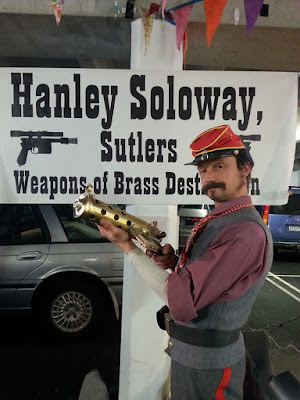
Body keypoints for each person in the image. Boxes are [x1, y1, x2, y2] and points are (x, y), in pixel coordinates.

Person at [97, 124, 273, 400]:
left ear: (244, 168)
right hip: (193, 355)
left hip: (209, 366)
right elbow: (216, 281)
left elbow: (180, 297)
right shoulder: (224, 220)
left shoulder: (244, 232)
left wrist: (126, 246)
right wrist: (174, 263)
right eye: (202, 170)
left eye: (218, 167)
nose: (208, 177)